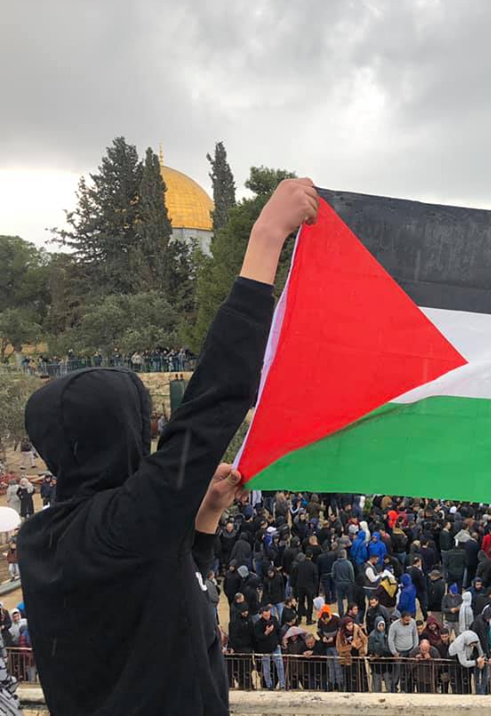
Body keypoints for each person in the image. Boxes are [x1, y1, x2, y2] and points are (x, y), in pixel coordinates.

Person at [17, 177, 319, 716]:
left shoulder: (43, 540)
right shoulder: (123, 524)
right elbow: (214, 398)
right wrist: (267, 237)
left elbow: (166, 591)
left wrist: (202, 521)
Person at [254, 604, 285, 691]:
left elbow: (279, 631)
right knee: (267, 668)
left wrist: (279, 641)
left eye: (268, 615)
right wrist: (266, 632)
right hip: (265, 649)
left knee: (280, 666)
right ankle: (269, 685)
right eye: (265, 615)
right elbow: (258, 637)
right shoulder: (258, 624)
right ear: (262, 615)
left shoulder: (274, 619)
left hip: (275, 646)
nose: (268, 617)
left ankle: (282, 684)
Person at [388, 611, 419, 692]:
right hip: (399, 652)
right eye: (406, 620)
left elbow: (415, 635)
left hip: (410, 650)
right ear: (401, 619)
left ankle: (404, 690)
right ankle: (393, 689)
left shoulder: (412, 622)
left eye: (409, 620)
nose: (408, 622)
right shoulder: (394, 626)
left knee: (406, 672)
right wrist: (394, 652)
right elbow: (390, 639)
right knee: (397, 672)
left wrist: (414, 650)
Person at [335, 616, 368, 692]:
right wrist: (350, 646)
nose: (350, 627)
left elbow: (364, 639)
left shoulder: (357, 629)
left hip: (358, 655)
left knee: (361, 675)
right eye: (348, 625)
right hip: (347, 658)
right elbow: (339, 647)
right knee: (350, 677)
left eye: (351, 624)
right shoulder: (340, 634)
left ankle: (363, 690)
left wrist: (357, 644)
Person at [447, 629, 485, 695]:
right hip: (455, 659)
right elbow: (463, 662)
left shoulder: (474, 638)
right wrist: (476, 662)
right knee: (457, 681)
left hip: (466, 657)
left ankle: (467, 692)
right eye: (471, 644)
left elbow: (480, 649)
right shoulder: (459, 644)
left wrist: (482, 659)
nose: (473, 645)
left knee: (466, 680)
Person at [368, 617, 396, 693]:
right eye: (379, 625)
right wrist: (374, 655)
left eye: (382, 625)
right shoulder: (372, 636)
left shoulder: (387, 634)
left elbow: (389, 647)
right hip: (376, 664)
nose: (381, 627)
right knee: (377, 684)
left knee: (388, 683)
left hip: (386, 663)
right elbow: (370, 649)